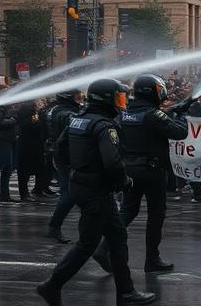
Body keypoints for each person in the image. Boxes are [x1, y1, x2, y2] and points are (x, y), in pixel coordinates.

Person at [36, 79, 155, 306]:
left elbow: (59, 150)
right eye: (119, 97)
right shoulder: (104, 125)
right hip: (96, 190)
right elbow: (112, 161)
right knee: (87, 244)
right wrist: (124, 181)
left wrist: (73, 172)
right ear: (106, 98)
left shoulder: (78, 120)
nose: (123, 102)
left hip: (83, 186)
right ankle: (51, 285)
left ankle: (126, 292)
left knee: (118, 237)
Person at [102, 74, 189, 273]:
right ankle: (152, 259)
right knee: (156, 214)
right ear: (155, 91)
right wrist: (180, 115)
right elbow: (180, 133)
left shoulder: (123, 113)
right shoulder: (153, 114)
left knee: (128, 211)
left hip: (129, 170)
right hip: (152, 171)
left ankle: (103, 247)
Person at [46, 90, 83, 244]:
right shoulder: (63, 112)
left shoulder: (57, 108)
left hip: (62, 154)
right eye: (77, 96)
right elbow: (70, 119)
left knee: (75, 193)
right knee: (69, 194)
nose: (80, 99)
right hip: (65, 157)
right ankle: (54, 227)